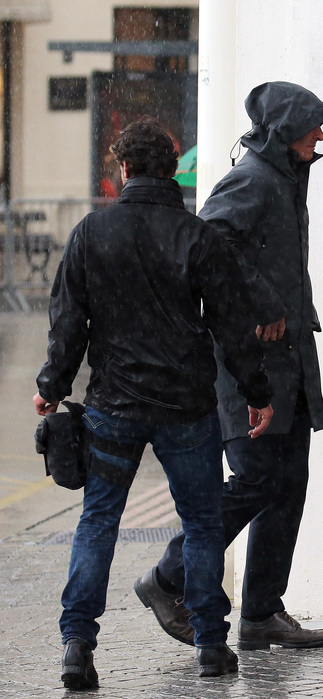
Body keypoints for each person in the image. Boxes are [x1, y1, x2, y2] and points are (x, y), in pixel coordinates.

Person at [32, 117, 274, 688]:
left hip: (112, 404)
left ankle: (77, 645)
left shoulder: (92, 232)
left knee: (97, 523)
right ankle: (212, 646)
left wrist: (51, 386)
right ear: (171, 170)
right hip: (187, 406)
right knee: (202, 523)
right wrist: (257, 392)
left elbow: (68, 321)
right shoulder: (197, 237)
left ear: (122, 169)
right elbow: (233, 327)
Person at [137, 82, 323, 651]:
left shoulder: (285, 178)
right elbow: (205, 243)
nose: (320, 136)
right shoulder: (253, 178)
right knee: (256, 479)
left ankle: (261, 615)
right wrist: (260, 301)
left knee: (287, 486)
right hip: (249, 366)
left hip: (292, 364)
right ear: (283, 129)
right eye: (312, 126)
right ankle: (165, 578)